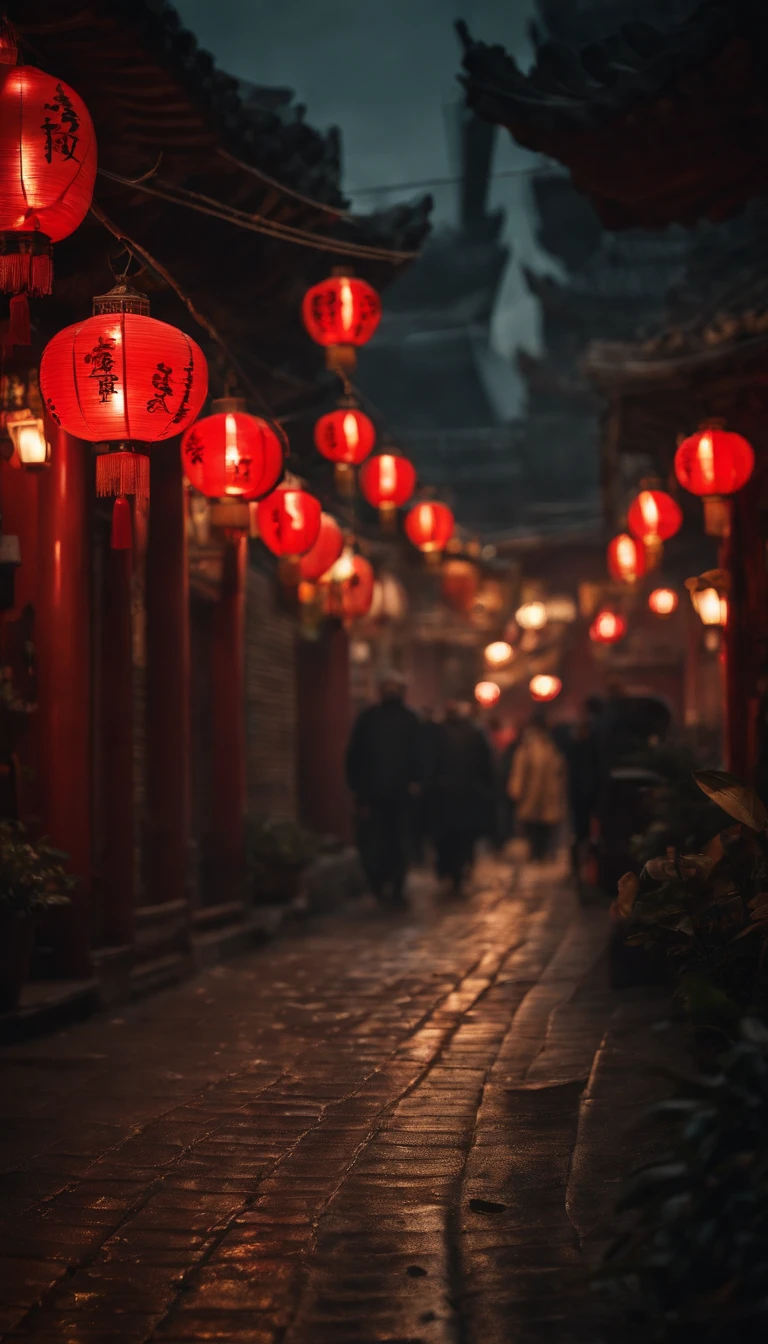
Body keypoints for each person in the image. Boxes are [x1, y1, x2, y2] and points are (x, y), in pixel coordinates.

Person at [345, 672, 425, 906]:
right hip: (375, 795)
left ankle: (395, 884)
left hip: (398, 796)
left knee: (396, 842)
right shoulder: (369, 719)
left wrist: (417, 783)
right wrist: (357, 787)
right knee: (377, 842)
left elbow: (421, 755)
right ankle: (380, 883)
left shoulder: (409, 720)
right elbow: (355, 756)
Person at [429, 701, 495, 894]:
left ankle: (449, 870)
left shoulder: (438, 733)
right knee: (465, 837)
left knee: (446, 837)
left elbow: (430, 764)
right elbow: (487, 766)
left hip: (445, 796)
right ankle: (461, 868)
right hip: (468, 795)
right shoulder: (475, 732)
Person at [508, 713, 567, 862]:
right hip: (533, 793)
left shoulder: (550, 745)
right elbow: (520, 769)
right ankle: (536, 852)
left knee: (544, 825)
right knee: (533, 825)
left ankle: (542, 852)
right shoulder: (530, 746)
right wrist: (516, 788)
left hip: (546, 793)